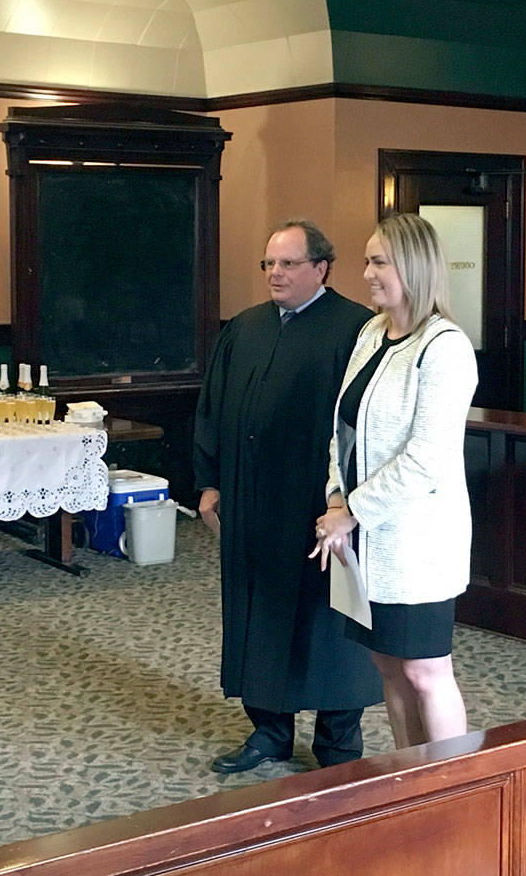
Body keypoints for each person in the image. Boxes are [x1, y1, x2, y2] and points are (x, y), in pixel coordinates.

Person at [194, 219, 382, 773]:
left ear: (321, 267)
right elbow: (212, 408)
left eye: (288, 263)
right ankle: (269, 732)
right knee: (260, 615)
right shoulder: (245, 328)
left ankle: (338, 745)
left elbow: (363, 426)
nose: (275, 273)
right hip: (252, 504)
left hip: (320, 507)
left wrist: (345, 503)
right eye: (269, 264)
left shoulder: (357, 329)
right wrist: (209, 483)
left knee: (329, 623)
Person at [313, 212, 478, 750]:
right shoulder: (370, 332)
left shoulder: (445, 346)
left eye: (379, 261)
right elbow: (342, 429)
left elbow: (426, 458)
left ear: (413, 266)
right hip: (365, 538)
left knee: (426, 671)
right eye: (367, 260)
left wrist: (349, 511)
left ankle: (455, 785)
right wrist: (336, 495)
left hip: (416, 543)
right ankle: (412, 781)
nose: (366, 273)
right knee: (388, 666)